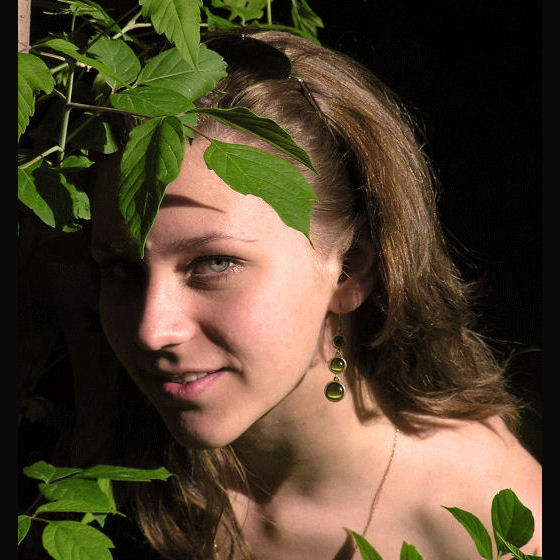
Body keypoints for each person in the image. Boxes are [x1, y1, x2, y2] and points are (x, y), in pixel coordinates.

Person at [88, 30, 542, 559]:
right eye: (121, 269)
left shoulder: (492, 528)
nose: (151, 330)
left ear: (349, 270)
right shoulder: (116, 448)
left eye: (214, 263)